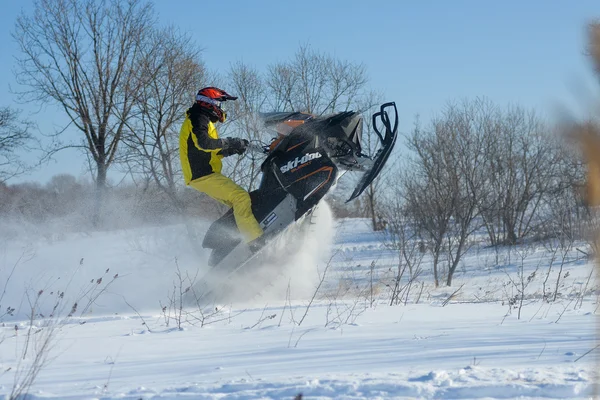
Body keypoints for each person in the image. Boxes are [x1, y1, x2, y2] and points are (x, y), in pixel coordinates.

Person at [179, 87, 264, 247]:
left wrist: (231, 149)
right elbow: (204, 143)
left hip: (204, 173)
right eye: (220, 104)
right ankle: (254, 241)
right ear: (210, 103)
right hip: (202, 174)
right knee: (241, 197)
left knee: (239, 202)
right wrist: (229, 142)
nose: (222, 109)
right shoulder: (197, 118)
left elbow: (210, 152)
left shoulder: (202, 119)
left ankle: (232, 243)